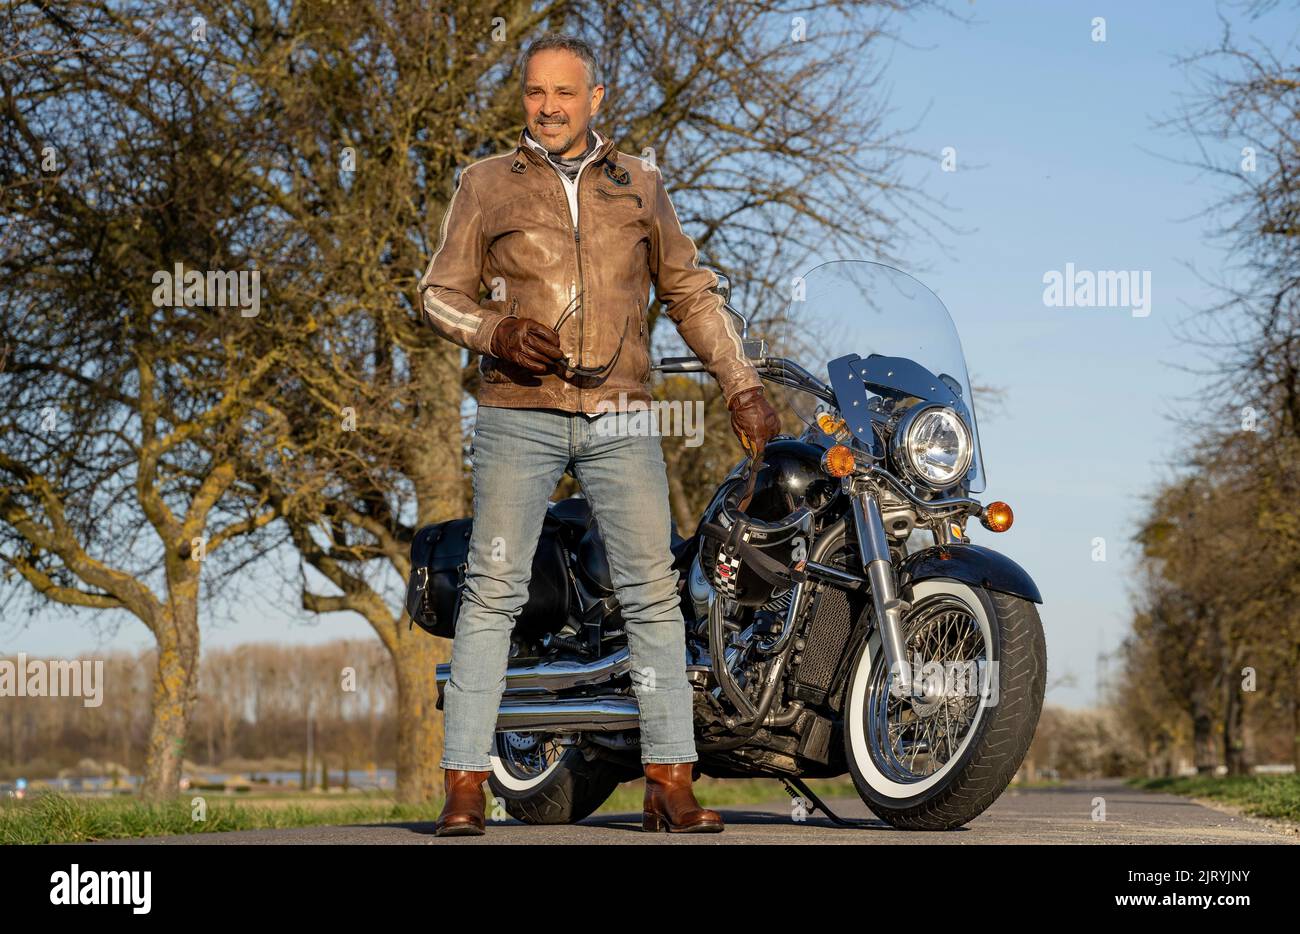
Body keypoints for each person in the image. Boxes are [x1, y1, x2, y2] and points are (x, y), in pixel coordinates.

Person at [418, 33, 780, 836]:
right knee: (492, 594)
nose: (547, 107)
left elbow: (690, 290)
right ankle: (467, 788)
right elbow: (436, 293)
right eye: (534, 93)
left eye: (563, 94)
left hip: (622, 414)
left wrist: (742, 383)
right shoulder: (484, 184)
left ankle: (669, 782)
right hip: (518, 412)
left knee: (654, 596)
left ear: (596, 101)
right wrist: (495, 332)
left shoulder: (640, 185)